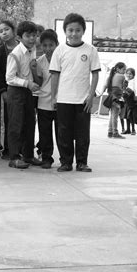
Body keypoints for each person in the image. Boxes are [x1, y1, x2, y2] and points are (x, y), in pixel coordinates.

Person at [50, 13, 101, 172]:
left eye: (77, 30)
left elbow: (95, 74)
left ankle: (81, 162)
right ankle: (66, 162)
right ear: (65, 31)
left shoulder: (91, 50)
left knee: (82, 133)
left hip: (83, 101)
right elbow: (55, 75)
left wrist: (91, 96)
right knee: (63, 132)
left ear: (83, 31)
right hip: (64, 99)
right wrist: (54, 97)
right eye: (70, 30)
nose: (74, 33)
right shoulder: (60, 50)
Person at [5, 20, 42, 169]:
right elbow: (9, 78)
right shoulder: (15, 54)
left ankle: (28, 155)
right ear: (19, 37)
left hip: (28, 92)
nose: (32, 39)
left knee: (29, 123)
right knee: (16, 124)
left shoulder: (32, 50)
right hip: (16, 91)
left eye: (34, 35)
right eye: (28, 36)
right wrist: (27, 83)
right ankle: (14, 157)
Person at [0, 20, 18, 159]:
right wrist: (3, 91)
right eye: (1, 31)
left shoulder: (23, 48)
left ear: (14, 30)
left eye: (6, 29)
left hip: (21, 90)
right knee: (4, 119)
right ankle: (5, 147)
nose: (4, 33)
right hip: (5, 91)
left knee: (19, 119)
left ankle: (20, 147)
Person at [35, 29, 59, 168]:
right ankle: (46, 158)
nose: (48, 48)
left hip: (59, 102)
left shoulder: (62, 60)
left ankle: (64, 159)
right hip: (43, 101)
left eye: (51, 45)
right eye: (44, 45)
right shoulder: (39, 62)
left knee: (61, 133)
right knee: (45, 133)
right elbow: (39, 82)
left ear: (57, 44)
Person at [103, 62, 126, 139]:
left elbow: (105, 85)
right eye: (123, 69)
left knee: (112, 115)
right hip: (117, 97)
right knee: (115, 116)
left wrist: (100, 93)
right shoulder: (121, 76)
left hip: (111, 96)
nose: (124, 71)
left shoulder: (110, 76)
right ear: (118, 69)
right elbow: (123, 88)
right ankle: (115, 133)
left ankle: (110, 132)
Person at [122, 67, 136, 135]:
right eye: (127, 73)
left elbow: (131, 91)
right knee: (126, 115)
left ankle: (133, 129)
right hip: (126, 101)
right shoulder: (126, 81)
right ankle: (128, 129)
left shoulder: (132, 82)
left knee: (131, 116)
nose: (128, 75)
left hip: (131, 101)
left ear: (133, 75)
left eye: (130, 74)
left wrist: (125, 91)